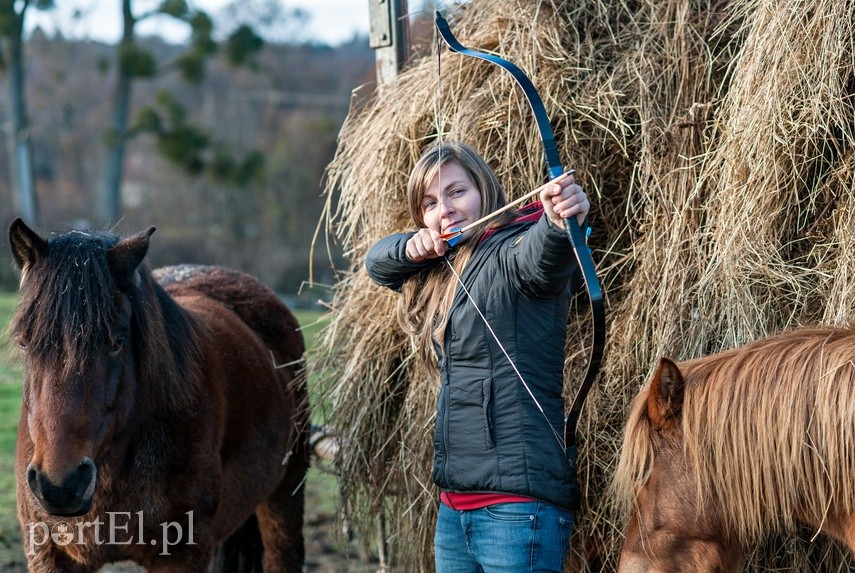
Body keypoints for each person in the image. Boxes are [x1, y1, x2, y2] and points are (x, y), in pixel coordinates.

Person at [365, 141, 590, 572]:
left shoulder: (512, 252)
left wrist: (559, 220)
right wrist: (411, 247)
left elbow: (543, 258)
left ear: (484, 190)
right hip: (454, 509)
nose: (444, 210)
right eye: (429, 203)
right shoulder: (442, 266)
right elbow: (377, 263)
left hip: (518, 511)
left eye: (456, 192)